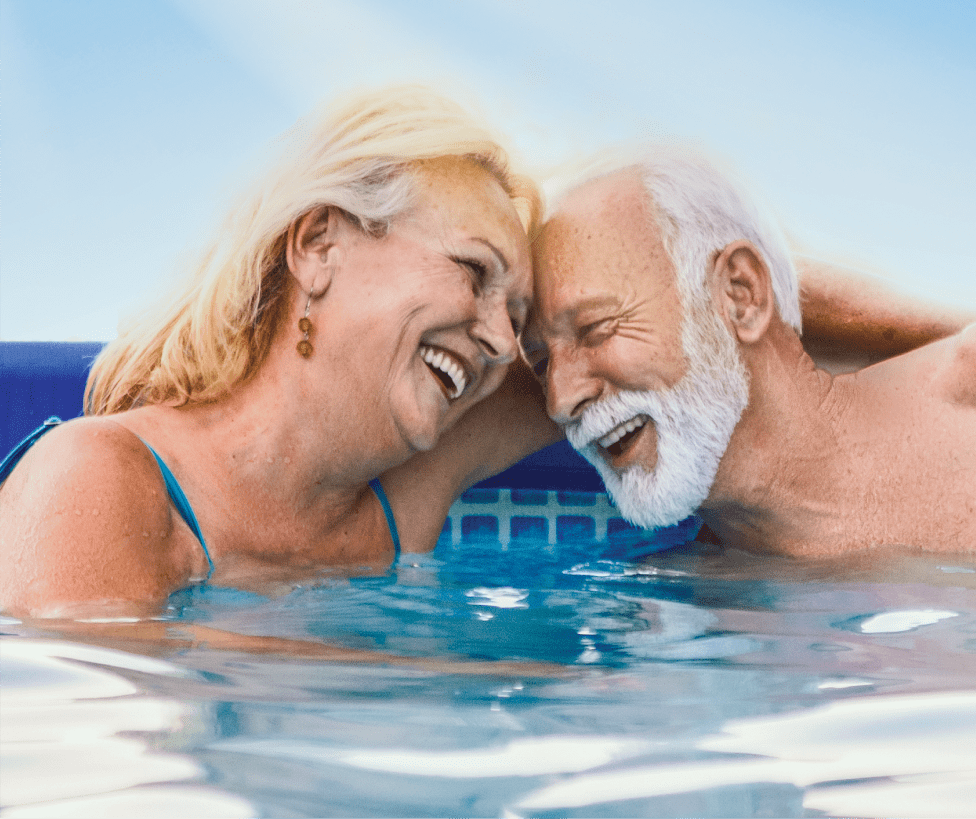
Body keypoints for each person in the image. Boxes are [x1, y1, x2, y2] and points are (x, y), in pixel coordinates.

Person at [0, 85, 558, 618]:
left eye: (515, 316)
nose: (504, 345)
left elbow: (623, 337)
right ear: (319, 246)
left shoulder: (411, 489)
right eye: (472, 268)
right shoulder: (97, 480)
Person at [525, 147, 976, 556]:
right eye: (542, 362)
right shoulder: (676, 616)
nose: (559, 400)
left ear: (740, 293)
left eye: (596, 328)